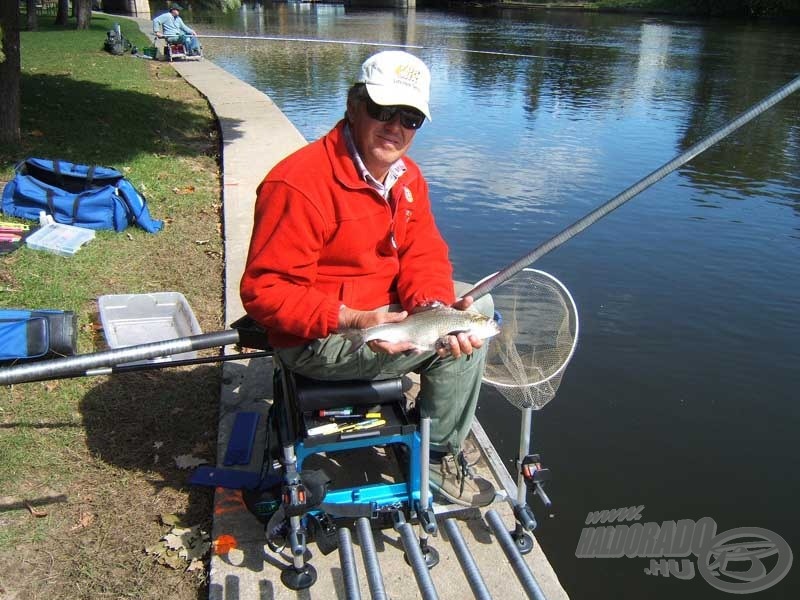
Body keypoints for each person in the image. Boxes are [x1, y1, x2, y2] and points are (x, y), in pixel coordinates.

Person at [241, 51, 496, 508]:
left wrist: (433, 306)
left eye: (411, 117)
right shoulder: (298, 183)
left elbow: (425, 254)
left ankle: (433, 440)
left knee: (477, 308)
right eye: (382, 111)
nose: (396, 127)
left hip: (392, 318)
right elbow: (265, 291)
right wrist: (356, 320)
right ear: (353, 106)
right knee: (467, 335)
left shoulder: (408, 178)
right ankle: (435, 457)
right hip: (320, 338)